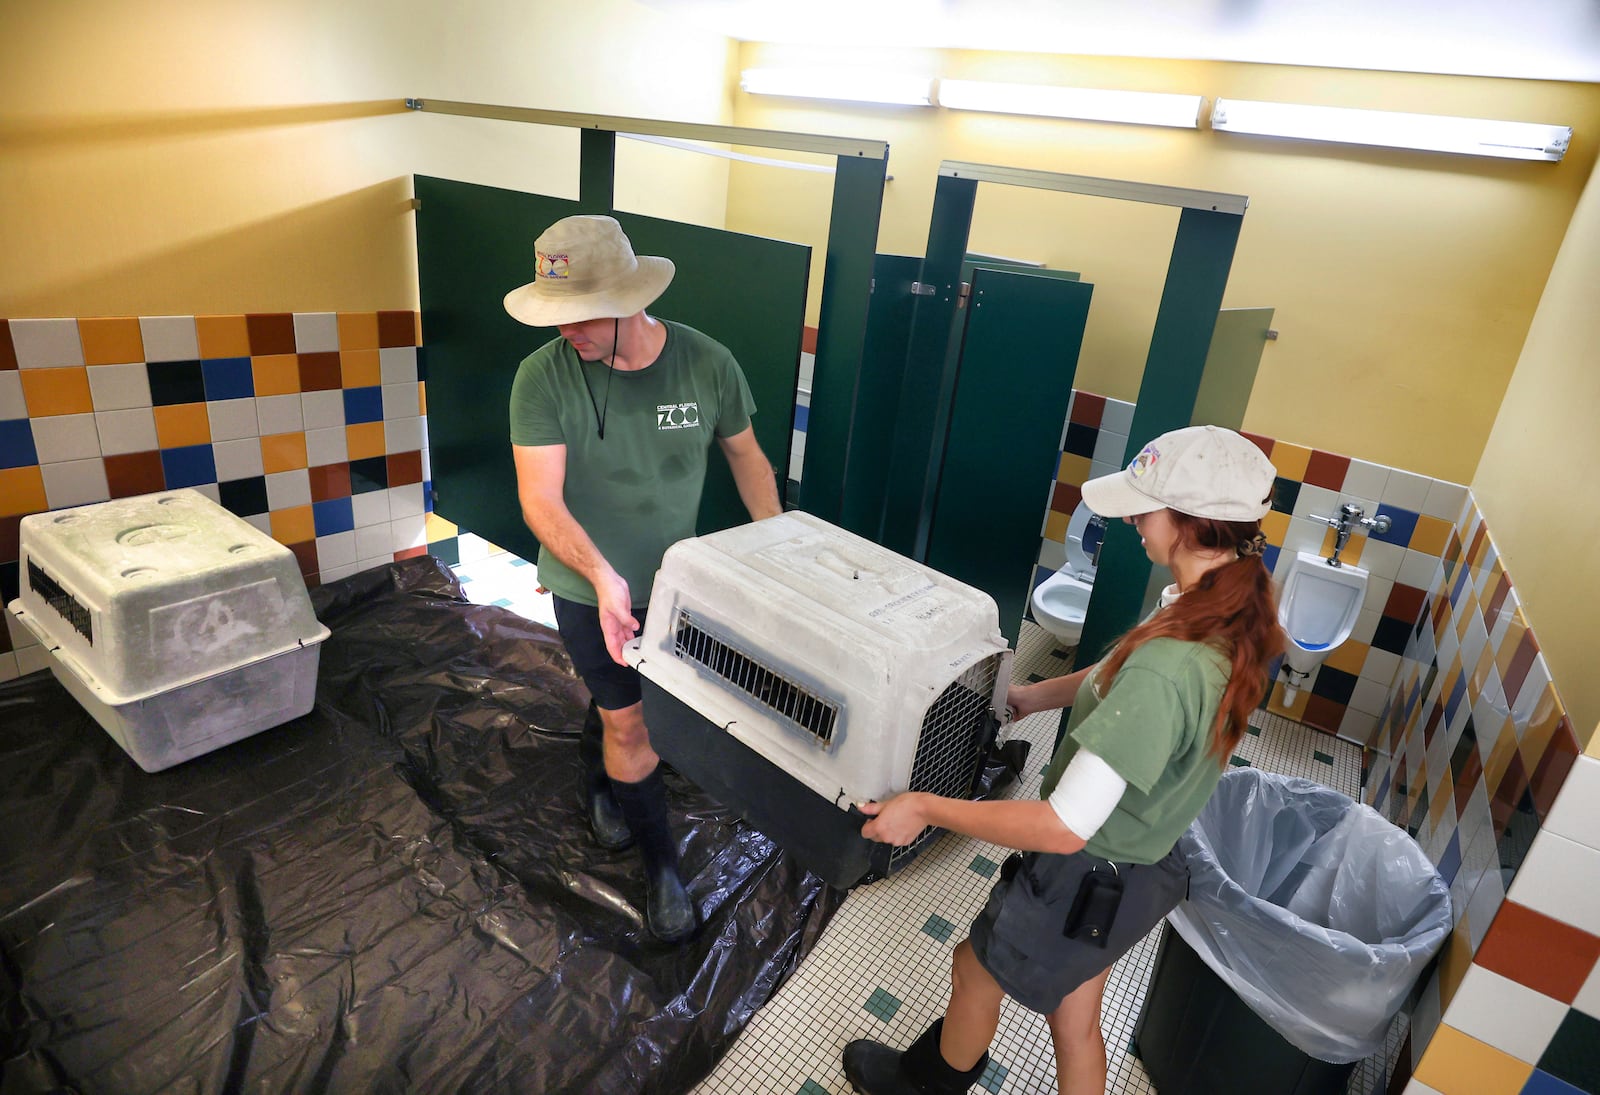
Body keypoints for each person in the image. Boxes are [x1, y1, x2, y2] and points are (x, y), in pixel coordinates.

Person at [842, 424, 1282, 1095]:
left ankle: (922, 1084)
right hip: (1142, 861)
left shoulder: (1173, 665)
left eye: (1147, 506)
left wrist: (924, 807)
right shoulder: (1220, 608)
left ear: (1194, 524)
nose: (1134, 517)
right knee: (1075, 1019)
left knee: (972, 966)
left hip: (1086, 869)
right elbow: (1116, 675)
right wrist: (1028, 696)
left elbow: (1063, 825)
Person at [505, 214, 783, 944]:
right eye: (555, 316)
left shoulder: (707, 363)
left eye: (580, 316)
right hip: (585, 584)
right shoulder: (542, 376)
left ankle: (601, 769)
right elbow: (540, 498)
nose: (568, 332)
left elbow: (747, 457)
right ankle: (661, 867)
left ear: (631, 299)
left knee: (651, 712)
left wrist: (774, 548)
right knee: (630, 720)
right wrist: (599, 574)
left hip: (677, 584)